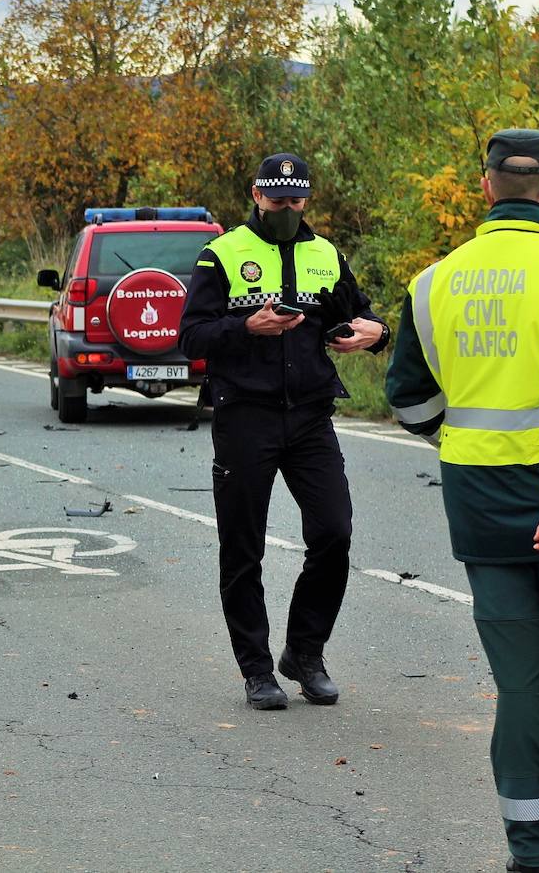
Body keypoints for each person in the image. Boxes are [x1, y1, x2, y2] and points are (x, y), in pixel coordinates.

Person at [386, 129, 539, 873]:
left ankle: (531, 857)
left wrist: (471, 433)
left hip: (480, 505)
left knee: (520, 688)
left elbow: (410, 403)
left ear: (484, 189)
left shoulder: (433, 282)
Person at [178, 152, 389, 710]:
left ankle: (304, 652)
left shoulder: (326, 255)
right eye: (277, 201)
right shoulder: (221, 255)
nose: (287, 210)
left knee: (334, 534)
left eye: (296, 201)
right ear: (256, 195)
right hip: (245, 416)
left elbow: (361, 315)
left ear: (307, 199)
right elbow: (191, 337)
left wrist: (375, 333)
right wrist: (246, 326)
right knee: (243, 549)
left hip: (311, 416)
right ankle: (256, 670)